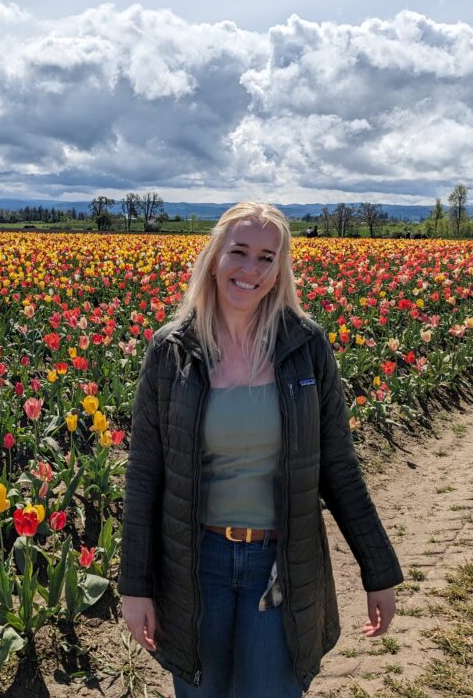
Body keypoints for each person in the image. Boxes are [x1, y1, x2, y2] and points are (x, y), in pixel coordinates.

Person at [119, 202, 402, 697]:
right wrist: (135, 585)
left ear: (280, 270)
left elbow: (337, 465)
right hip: (195, 561)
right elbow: (145, 475)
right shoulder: (173, 351)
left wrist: (378, 569)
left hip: (281, 562)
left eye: (267, 258)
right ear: (214, 257)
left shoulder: (304, 346)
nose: (251, 269)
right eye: (240, 252)